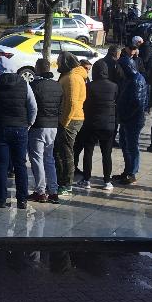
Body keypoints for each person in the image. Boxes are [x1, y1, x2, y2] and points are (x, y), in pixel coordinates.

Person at [0, 55, 38, 209]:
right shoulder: (24, 83)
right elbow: (33, 106)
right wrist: (29, 123)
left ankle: (1, 199)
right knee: (20, 164)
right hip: (20, 128)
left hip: (0, 127)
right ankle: (22, 200)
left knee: (1, 164)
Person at [78, 61, 118, 191]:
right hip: (108, 125)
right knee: (107, 154)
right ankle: (107, 181)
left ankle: (86, 180)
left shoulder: (89, 86)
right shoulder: (114, 86)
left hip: (91, 124)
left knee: (88, 152)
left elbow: (85, 103)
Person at [27, 57, 62, 203]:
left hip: (38, 125)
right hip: (53, 126)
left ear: (37, 68)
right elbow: (61, 106)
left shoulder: (33, 85)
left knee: (37, 158)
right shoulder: (58, 86)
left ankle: (40, 191)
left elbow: (30, 106)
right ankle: (53, 191)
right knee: (49, 158)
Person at [55, 51, 87, 198]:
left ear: (66, 63)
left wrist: (64, 121)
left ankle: (66, 184)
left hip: (71, 119)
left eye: (59, 61)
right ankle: (60, 180)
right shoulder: (70, 75)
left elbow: (72, 103)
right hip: (70, 118)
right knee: (60, 152)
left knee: (66, 153)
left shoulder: (72, 78)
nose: (57, 63)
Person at [114, 54, 149, 185]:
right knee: (125, 144)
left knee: (132, 146)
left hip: (133, 120)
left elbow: (137, 103)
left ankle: (132, 172)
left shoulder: (136, 80)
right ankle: (127, 170)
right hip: (127, 119)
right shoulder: (129, 79)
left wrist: (126, 116)